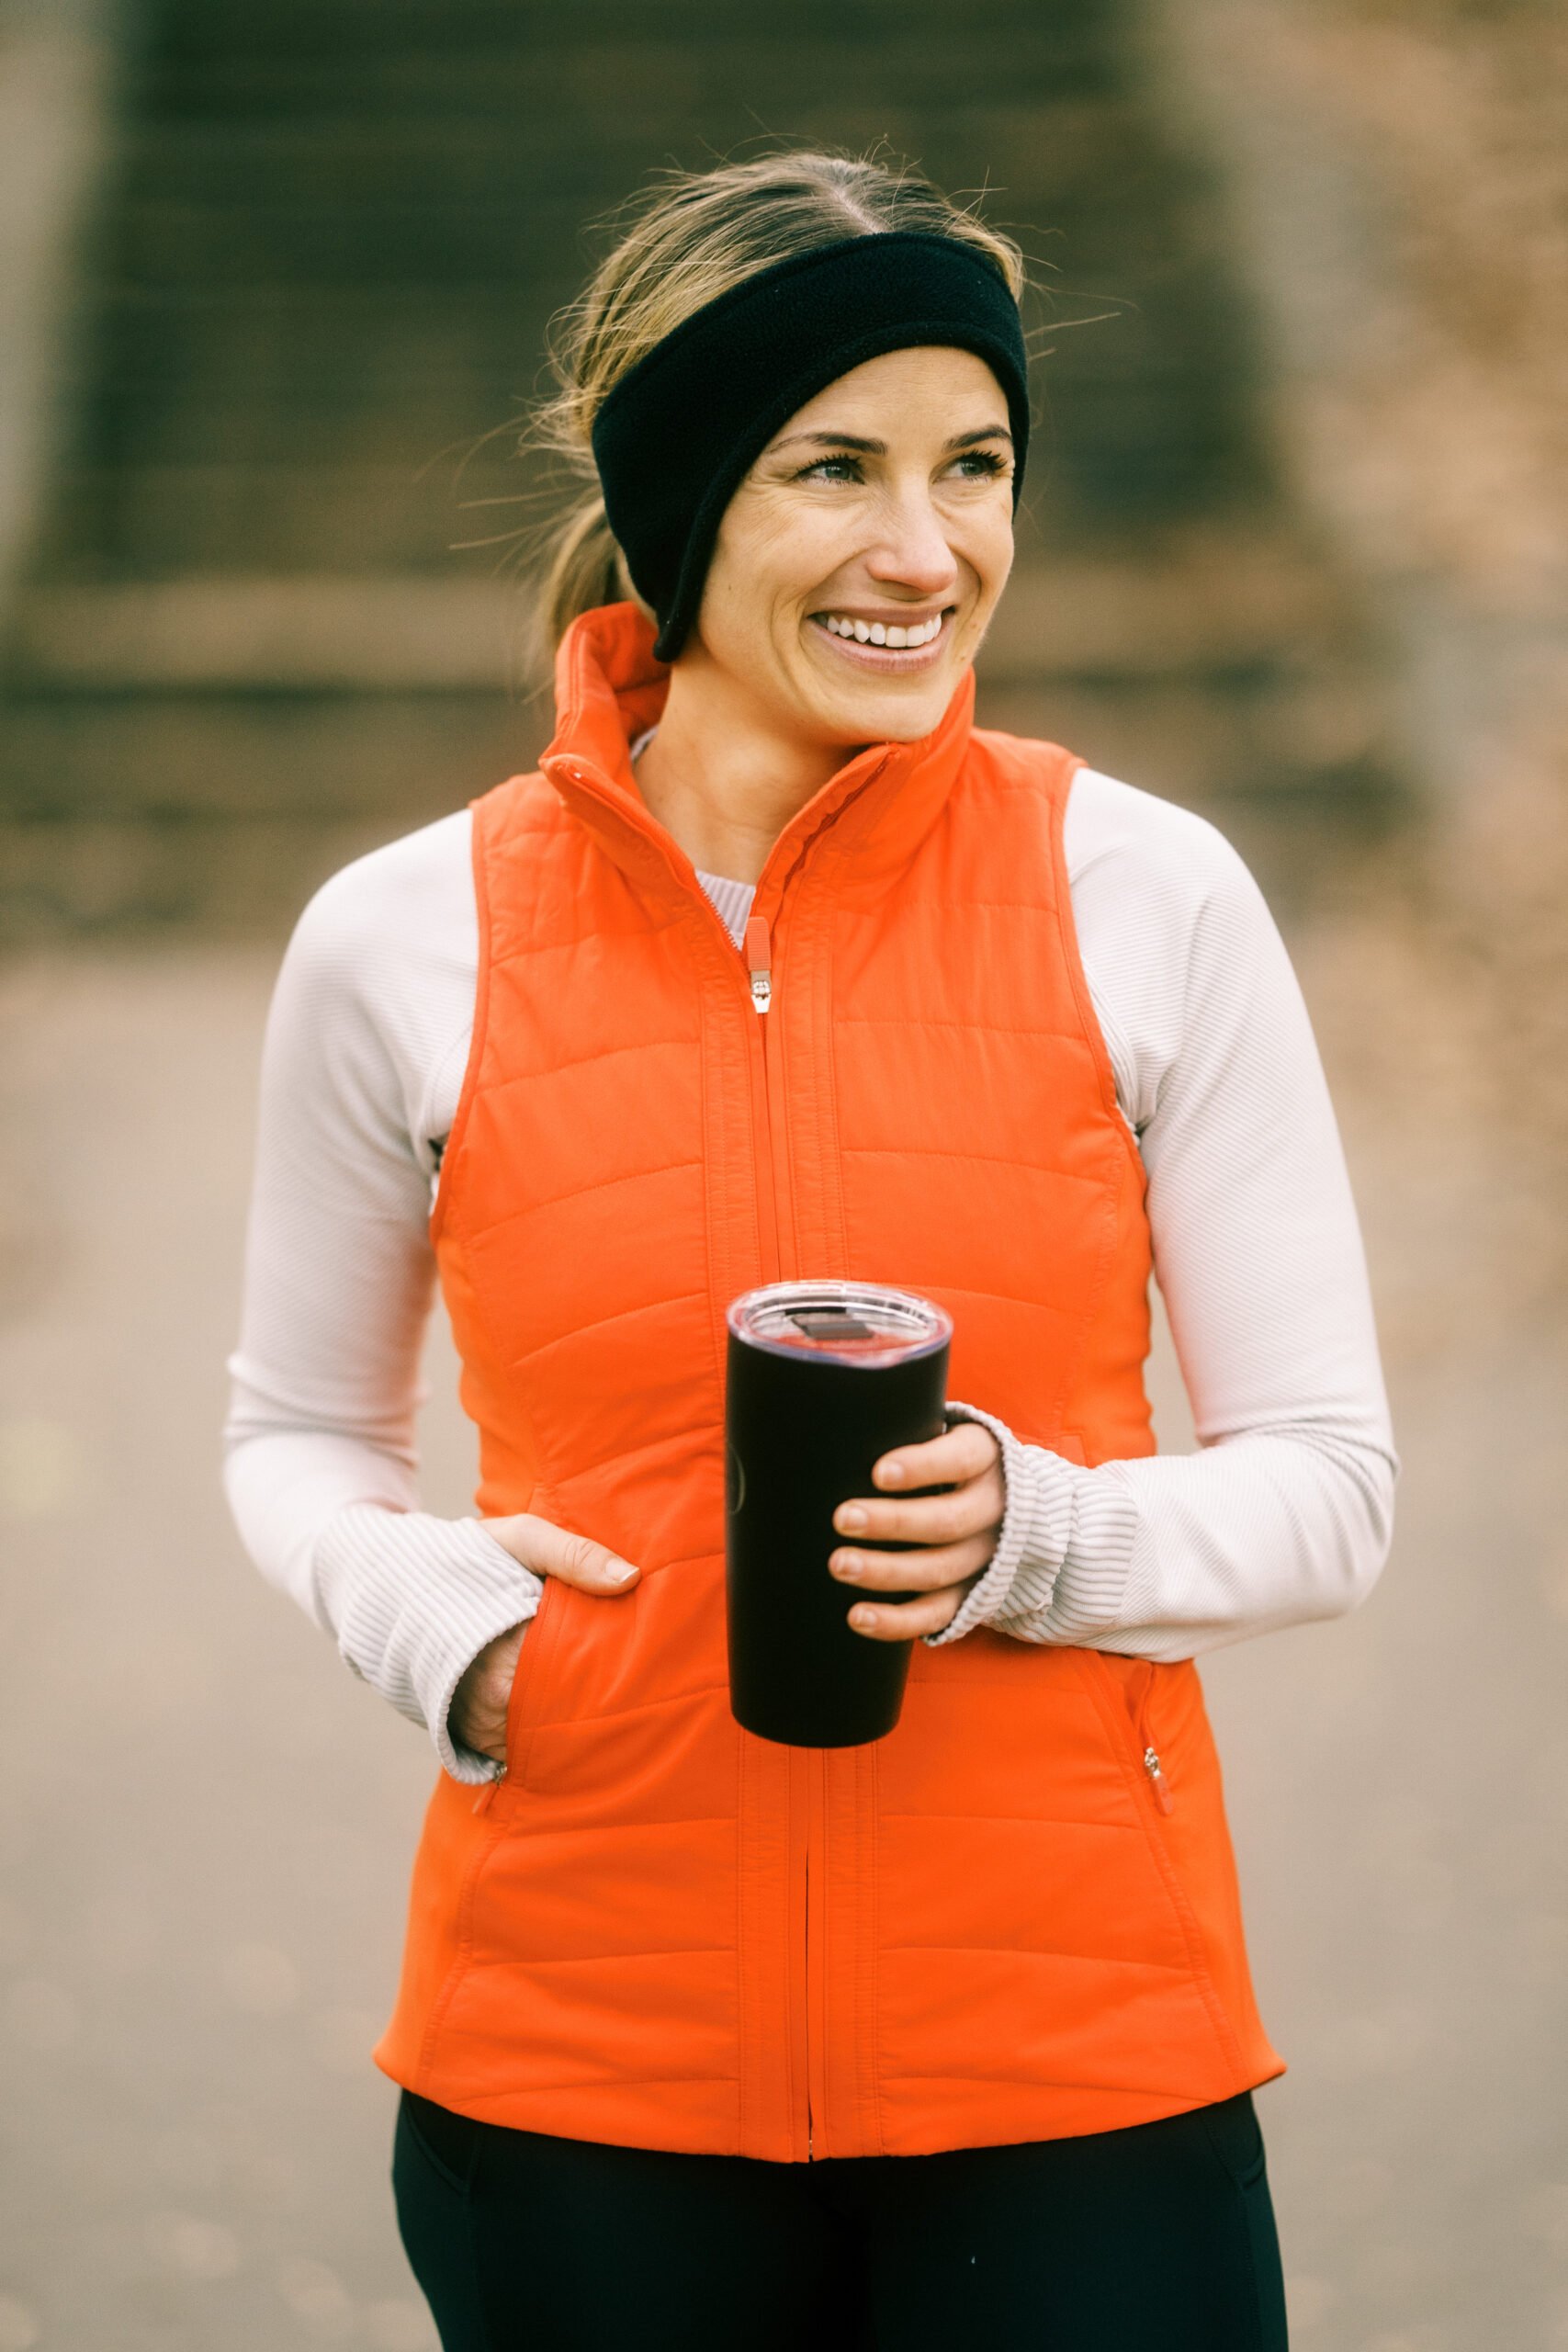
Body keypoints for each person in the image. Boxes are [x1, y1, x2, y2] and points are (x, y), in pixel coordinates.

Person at [225, 149, 1396, 2351]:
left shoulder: (1147, 896)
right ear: (679, 502)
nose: (922, 548)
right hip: (575, 2063)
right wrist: (428, 1616)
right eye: (829, 467)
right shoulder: (402, 937)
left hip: (1076, 2070)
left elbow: (1327, 1482)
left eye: (972, 465)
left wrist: (1037, 1535)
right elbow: (294, 1431)